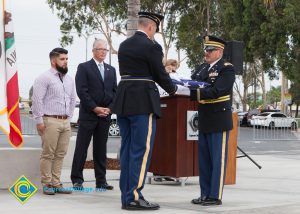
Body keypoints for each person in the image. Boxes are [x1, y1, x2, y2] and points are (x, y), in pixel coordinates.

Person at [112, 12, 177, 210]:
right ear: (150, 27)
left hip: (124, 100)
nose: (155, 32)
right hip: (142, 101)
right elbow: (159, 73)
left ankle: (126, 194)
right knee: (141, 150)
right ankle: (133, 196)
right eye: (155, 29)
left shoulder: (124, 45)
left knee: (127, 149)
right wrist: (173, 88)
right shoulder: (151, 46)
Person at [190, 35, 235, 206]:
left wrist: (197, 92)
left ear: (220, 52)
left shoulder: (227, 68)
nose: (206, 53)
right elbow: (192, 83)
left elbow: (219, 90)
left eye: (210, 50)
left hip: (218, 117)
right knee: (204, 160)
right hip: (204, 117)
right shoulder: (202, 68)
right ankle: (204, 194)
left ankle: (214, 196)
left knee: (217, 160)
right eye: (206, 50)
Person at [71, 39, 117, 191]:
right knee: (81, 148)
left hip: (105, 116)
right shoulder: (84, 67)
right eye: (100, 49)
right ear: (94, 50)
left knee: (100, 149)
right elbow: (82, 91)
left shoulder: (111, 70)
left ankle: (101, 181)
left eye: (105, 50)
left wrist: (109, 109)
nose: (103, 52)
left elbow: (114, 92)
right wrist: (95, 108)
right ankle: (77, 180)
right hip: (88, 115)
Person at [32, 47, 76, 195]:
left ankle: (56, 183)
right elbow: (37, 100)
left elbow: (72, 99)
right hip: (50, 120)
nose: (65, 62)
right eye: (62, 59)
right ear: (53, 61)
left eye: (66, 59)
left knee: (60, 154)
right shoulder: (44, 78)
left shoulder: (69, 79)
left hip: (65, 122)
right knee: (48, 154)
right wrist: (39, 121)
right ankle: (47, 184)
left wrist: (69, 117)